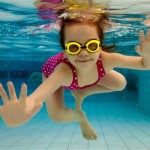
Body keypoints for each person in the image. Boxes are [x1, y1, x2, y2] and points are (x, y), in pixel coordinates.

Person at [1, 6, 150, 141]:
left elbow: (144, 64)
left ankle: (81, 93)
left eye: (91, 45)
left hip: (83, 80)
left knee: (120, 83)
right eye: (74, 47)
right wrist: (24, 109)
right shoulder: (63, 72)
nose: (84, 53)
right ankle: (80, 116)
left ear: (100, 46)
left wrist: (148, 56)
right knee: (57, 115)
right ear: (65, 51)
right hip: (53, 72)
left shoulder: (107, 59)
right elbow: (37, 97)